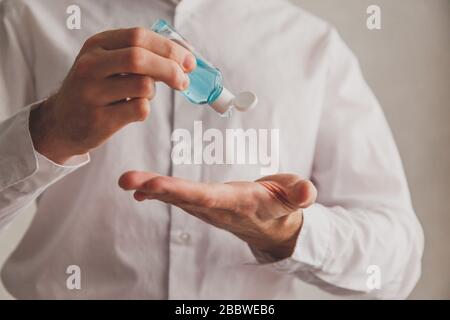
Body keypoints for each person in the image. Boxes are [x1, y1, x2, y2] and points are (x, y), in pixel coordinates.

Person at [0, 0, 424, 299]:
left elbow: (395, 264)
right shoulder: (30, 19)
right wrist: (48, 131)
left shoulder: (312, 46)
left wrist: (288, 234)